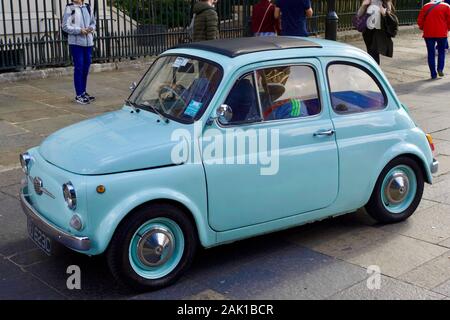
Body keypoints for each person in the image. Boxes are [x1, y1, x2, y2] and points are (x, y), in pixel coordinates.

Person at [62, 0, 96, 105]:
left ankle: (83, 92)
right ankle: (79, 94)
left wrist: (91, 28)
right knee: (79, 67)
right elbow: (65, 26)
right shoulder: (70, 8)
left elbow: (93, 22)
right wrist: (79, 30)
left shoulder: (87, 7)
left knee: (86, 67)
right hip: (76, 43)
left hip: (88, 43)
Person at [418, 0, 450, 79]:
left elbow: (420, 20)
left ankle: (433, 73)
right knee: (441, 52)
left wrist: (423, 28)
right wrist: (447, 29)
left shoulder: (425, 6)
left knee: (431, 53)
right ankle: (440, 69)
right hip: (442, 33)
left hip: (428, 33)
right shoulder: (446, 6)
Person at [357, 0, 394, 65]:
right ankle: (373, 70)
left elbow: (391, 19)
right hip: (367, 33)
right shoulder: (369, 1)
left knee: (373, 55)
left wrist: (385, 13)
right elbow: (359, 15)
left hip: (378, 34)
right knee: (371, 54)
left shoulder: (386, 2)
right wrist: (363, 6)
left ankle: (374, 71)